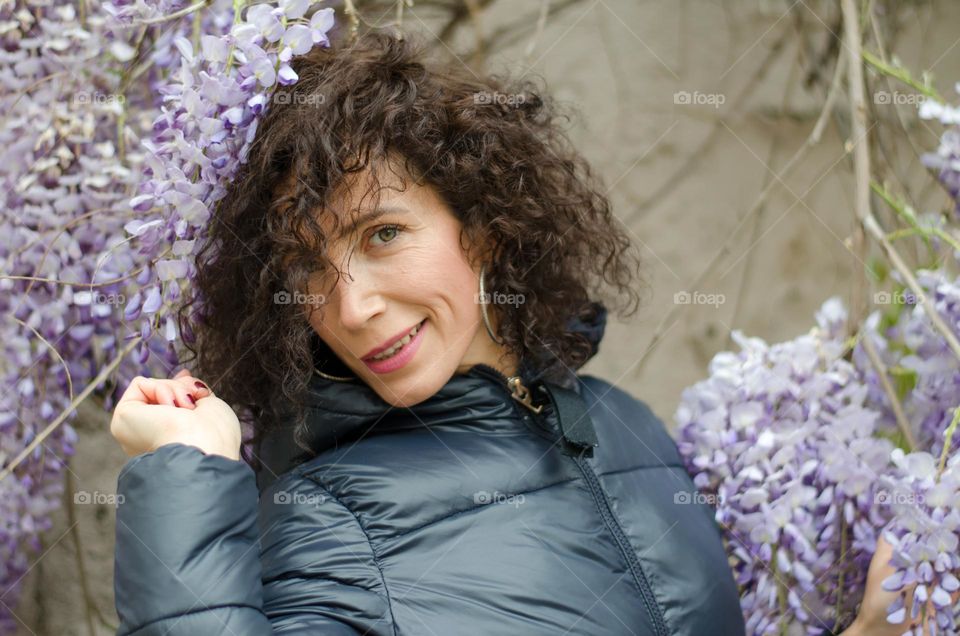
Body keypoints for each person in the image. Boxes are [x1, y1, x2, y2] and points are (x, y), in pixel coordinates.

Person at [109, 31, 940, 636]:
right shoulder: (327, 521)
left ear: (485, 225)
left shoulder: (626, 428)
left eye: (382, 234)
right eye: (304, 268)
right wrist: (191, 473)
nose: (351, 306)